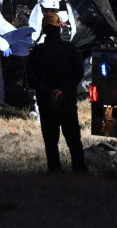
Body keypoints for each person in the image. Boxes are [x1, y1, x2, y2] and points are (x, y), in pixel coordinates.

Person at [27, 10, 87, 173]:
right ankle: (79, 169)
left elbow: (32, 78)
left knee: (50, 140)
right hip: (67, 99)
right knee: (74, 138)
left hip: (46, 101)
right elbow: (78, 73)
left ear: (44, 29)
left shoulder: (37, 52)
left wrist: (50, 91)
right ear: (59, 28)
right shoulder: (70, 48)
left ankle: (54, 170)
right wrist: (63, 90)